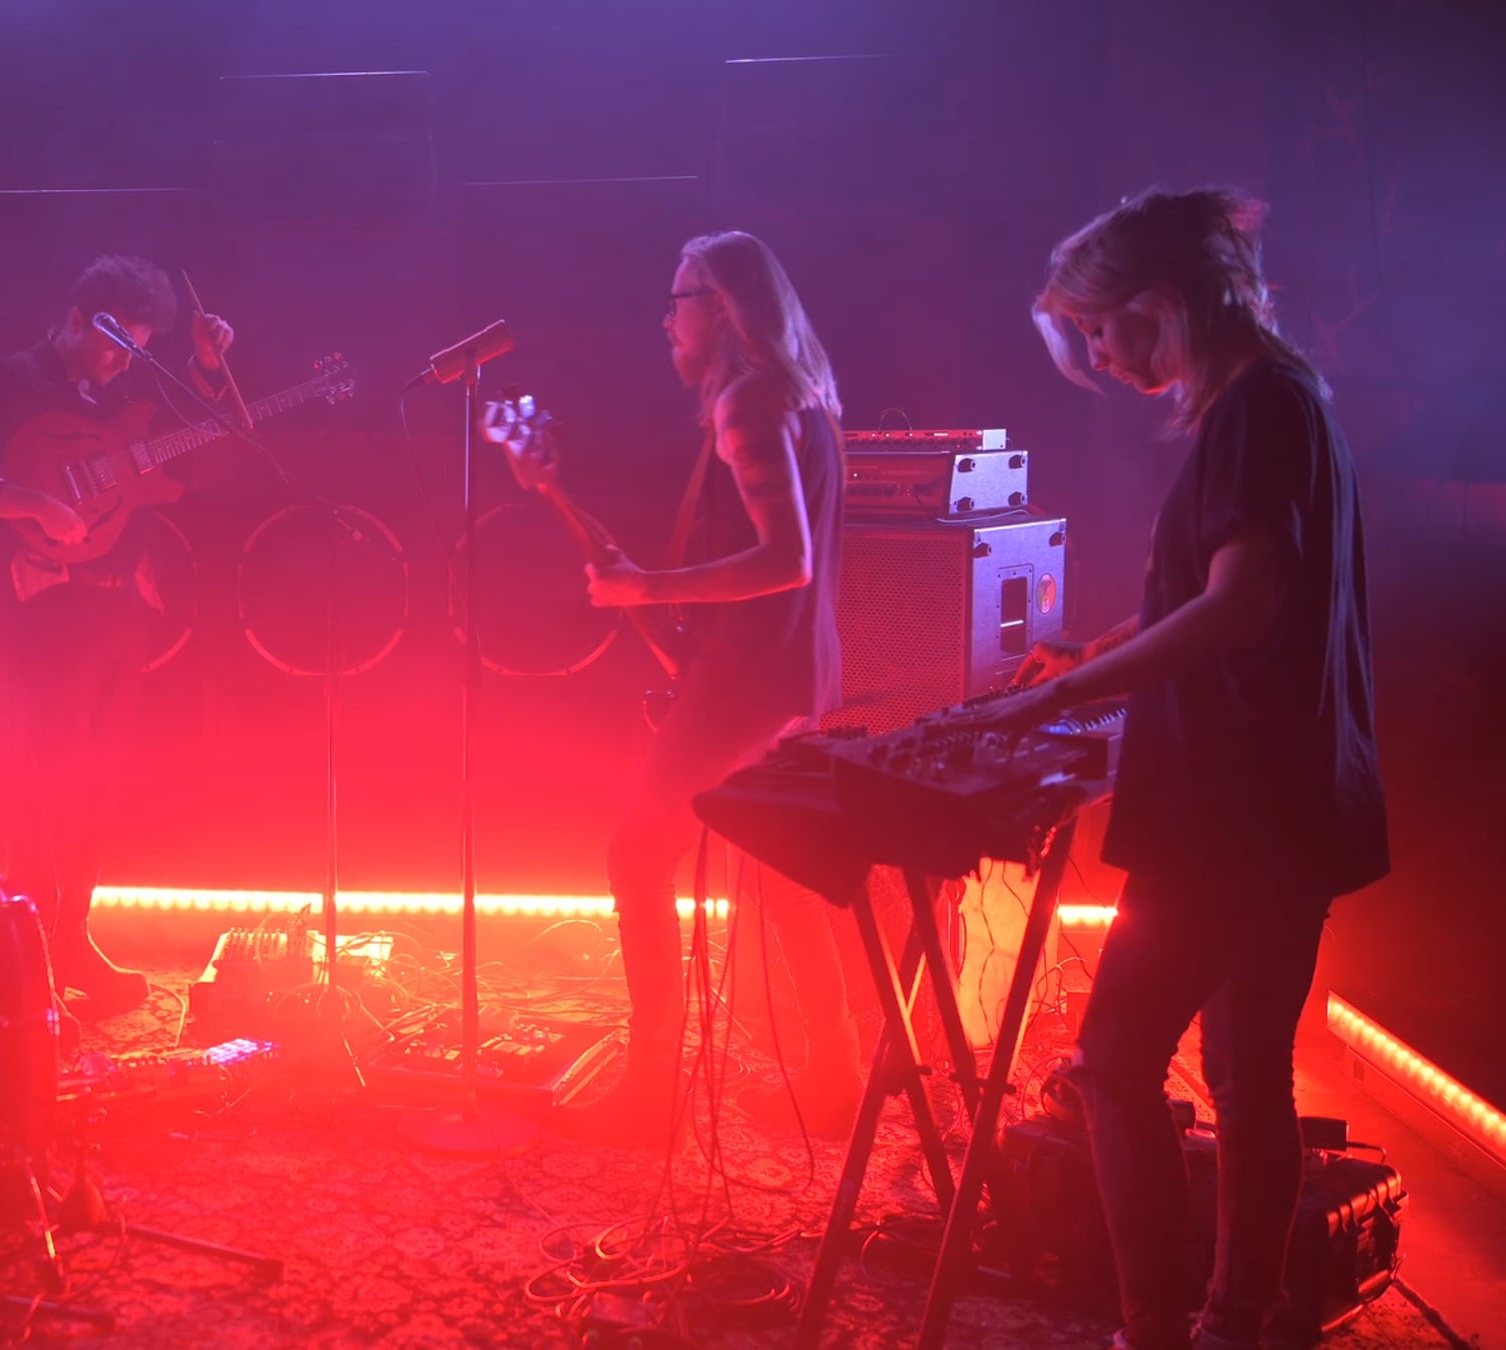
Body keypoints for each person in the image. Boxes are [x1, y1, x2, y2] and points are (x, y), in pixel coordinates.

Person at [959, 187, 1387, 1350]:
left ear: (1157, 304)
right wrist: (1097, 650)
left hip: (1229, 813)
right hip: (1283, 803)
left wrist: (1065, 693)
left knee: (1112, 1065)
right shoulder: (1284, 397)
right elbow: (1225, 593)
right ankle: (1236, 1324)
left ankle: (1157, 1326)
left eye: (1103, 332)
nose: (1102, 358)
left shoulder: (1257, 410)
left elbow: (1243, 607)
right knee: (1247, 1079)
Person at [561, 231, 860, 1144]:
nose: (667, 320)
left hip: (750, 680)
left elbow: (786, 559)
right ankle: (839, 1075)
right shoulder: (802, 395)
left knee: (636, 857)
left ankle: (652, 1093)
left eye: (679, 299)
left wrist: (647, 589)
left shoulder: (748, 404)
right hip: (795, 667)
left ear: (722, 308)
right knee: (778, 873)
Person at [0, 256, 239, 1015]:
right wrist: (32, 503)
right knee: (46, 784)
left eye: (134, 350)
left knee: (99, 785)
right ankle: (28, 957)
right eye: (112, 345)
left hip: (119, 610)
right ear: (75, 321)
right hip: (47, 614)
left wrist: (205, 367)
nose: (120, 362)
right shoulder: (11, 382)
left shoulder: (129, 392)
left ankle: (73, 939)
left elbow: (200, 452)